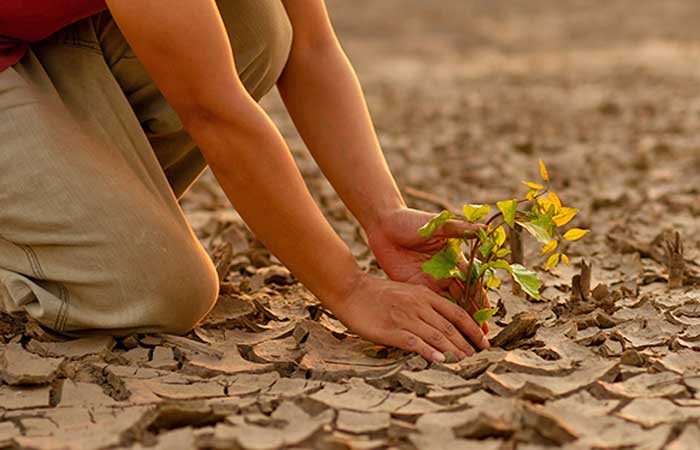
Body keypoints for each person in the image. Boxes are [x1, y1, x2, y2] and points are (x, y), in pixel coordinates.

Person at [0, 0, 491, 362]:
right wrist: (350, 289)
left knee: (256, 22)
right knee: (163, 288)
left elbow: (311, 47)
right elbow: (214, 114)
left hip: (28, 41)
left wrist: (382, 217)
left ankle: (67, 218)